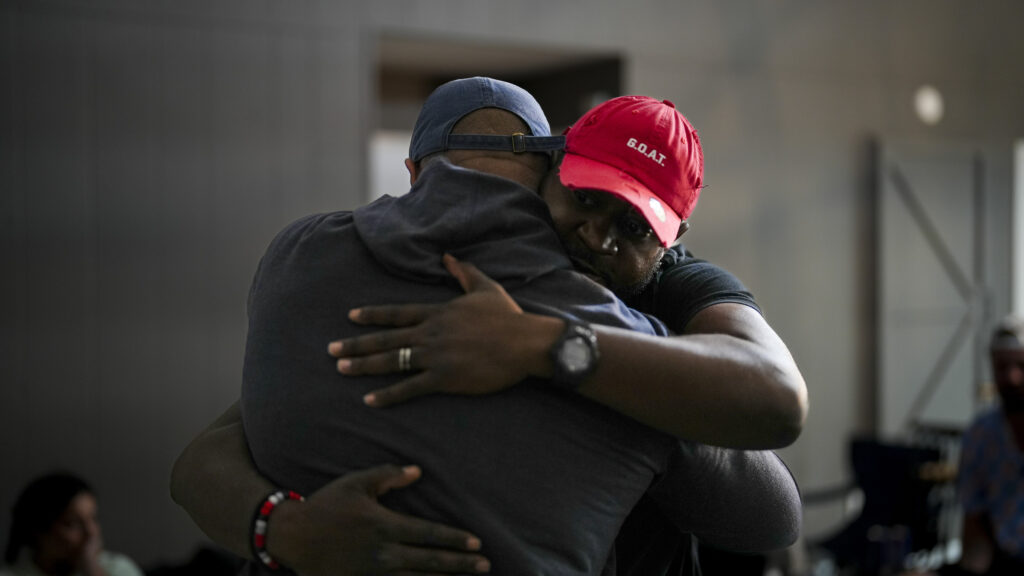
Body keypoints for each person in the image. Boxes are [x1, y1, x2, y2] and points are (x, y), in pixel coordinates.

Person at [171, 78, 806, 575]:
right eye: (584, 199)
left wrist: (547, 346)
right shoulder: (434, 299)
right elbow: (211, 450)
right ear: (548, 174)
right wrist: (285, 531)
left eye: (635, 227)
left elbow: (776, 426)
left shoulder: (672, 292)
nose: (600, 236)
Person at [944, 314, 1024, 576]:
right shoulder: (981, 435)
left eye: (1020, 366)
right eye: (1002, 368)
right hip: (1004, 561)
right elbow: (974, 523)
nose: (1012, 378)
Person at [2, 473, 143, 576]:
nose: (92, 532)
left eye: (93, 518)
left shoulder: (118, 568)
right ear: (38, 530)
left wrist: (92, 569)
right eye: (72, 524)